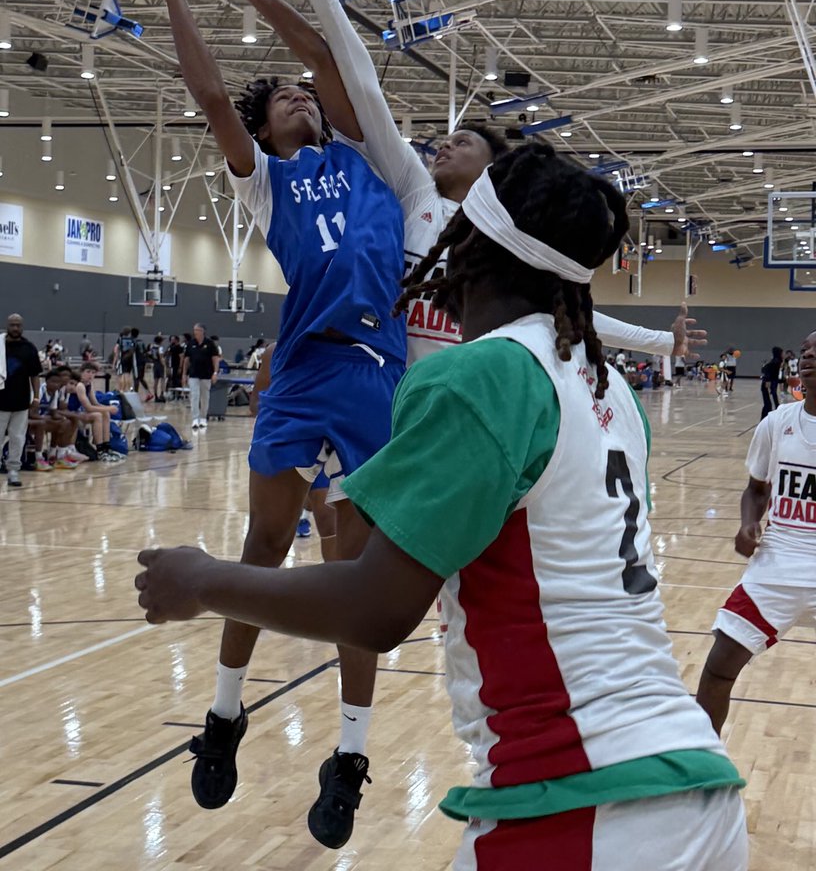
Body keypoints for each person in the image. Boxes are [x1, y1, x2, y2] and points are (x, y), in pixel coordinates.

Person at [135, 143, 748, 871]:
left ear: (468, 249)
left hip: (582, 798)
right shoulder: (605, 384)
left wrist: (201, 580)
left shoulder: (484, 374)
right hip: (691, 778)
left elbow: (375, 609)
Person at [110, 0, 406, 848]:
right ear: (264, 125)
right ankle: (225, 715)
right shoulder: (267, 185)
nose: (299, 100)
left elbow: (328, 57)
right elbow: (207, 97)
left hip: (377, 378)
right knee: (263, 549)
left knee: (352, 571)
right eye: (281, 99)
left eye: (304, 97)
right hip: (307, 369)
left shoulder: (368, 160)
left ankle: (350, 755)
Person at [241, 0, 705, 371]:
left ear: (493, 168)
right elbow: (360, 81)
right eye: (447, 139)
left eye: (463, 142)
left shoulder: (503, 240)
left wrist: (661, 342)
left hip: (448, 405)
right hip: (380, 391)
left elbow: (569, 312)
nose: (445, 144)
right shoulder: (409, 188)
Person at [697, 329, 816, 736]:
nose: (809, 356)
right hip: (779, 561)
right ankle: (701, 768)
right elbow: (757, 489)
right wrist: (748, 522)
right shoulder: (778, 422)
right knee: (718, 666)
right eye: (805, 351)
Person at [249, 344, 336, 563]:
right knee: (266, 538)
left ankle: (337, 591)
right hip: (287, 442)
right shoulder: (275, 351)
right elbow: (255, 404)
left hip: (330, 443)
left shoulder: (347, 352)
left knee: (329, 521)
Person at [0, 314, 41, 487]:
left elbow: (35, 376)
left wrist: (36, 398)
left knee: (18, 437)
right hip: (0, 401)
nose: (15, 328)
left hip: (21, 401)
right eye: (12, 325)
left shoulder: (29, 348)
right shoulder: (0, 346)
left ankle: (13, 470)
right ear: (7, 326)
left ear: (22, 326)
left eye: (18, 325)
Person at [67, 365, 125, 463]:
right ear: (81, 372)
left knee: (105, 413)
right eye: (88, 371)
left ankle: (106, 447)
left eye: (93, 373)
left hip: (78, 412)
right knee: (97, 415)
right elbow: (88, 407)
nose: (91, 375)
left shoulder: (89, 384)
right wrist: (109, 408)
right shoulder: (80, 385)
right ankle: (100, 449)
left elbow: (95, 403)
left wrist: (107, 409)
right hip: (71, 413)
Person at [31, 371, 83, 470]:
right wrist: (44, 418)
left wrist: (63, 418)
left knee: (65, 423)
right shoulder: (39, 391)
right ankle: (38, 458)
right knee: (42, 423)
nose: (55, 384)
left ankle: (58, 456)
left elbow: (53, 412)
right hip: (29, 421)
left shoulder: (55, 393)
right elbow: (30, 413)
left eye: (57, 382)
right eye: (52, 382)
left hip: (42, 420)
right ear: (46, 381)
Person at [182, 325, 220, 431]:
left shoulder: (210, 344)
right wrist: (184, 374)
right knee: (194, 396)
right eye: (194, 330)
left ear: (203, 331)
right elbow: (186, 360)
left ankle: (203, 418)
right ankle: (195, 418)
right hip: (193, 374)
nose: (195, 332)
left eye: (198, 330)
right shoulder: (191, 344)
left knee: (204, 397)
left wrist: (215, 373)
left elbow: (215, 359)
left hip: (206, 374)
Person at [760, 346, 783, 418]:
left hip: (772, 383)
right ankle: (765, 419)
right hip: (769, 384)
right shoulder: (775, 362)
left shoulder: (776, 361)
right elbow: (766, 371)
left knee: (770, 403)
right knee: (769, 404)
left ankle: (765, 418)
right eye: (782, 353)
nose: (783, 354)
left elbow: (765, 370)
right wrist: (767, 380)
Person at [149, 335, 166, 403]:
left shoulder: (152, 347)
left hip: (155, 364)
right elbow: (161, 357)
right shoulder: (160, 348)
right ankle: (162, 395)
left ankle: (156, 395)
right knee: (162, 380)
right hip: (160, 364)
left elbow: (150, 354)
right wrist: (164, 365)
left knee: (155, 381)